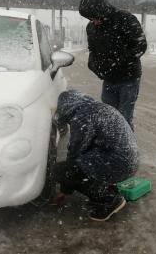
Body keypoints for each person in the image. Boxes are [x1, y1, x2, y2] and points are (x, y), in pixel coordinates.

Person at [53, 90, 139, 221]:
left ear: (65, 108)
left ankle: (109, 199)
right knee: (84, 161)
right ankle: (107, 188)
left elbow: (74, 153)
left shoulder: (82, 116)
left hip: (118, 164)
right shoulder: (96, 107)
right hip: (130, 160)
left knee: (63, 170)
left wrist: (64, 188)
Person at [79, 0, 148, 129]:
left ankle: (126, 149)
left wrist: (117, 63)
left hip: (129, 79)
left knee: (124, 119)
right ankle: (111, 146)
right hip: (109, 79)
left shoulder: (126, 19)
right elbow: (93, 51)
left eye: (96, 17)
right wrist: (93, 65)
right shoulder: (92, 28)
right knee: (108, 116)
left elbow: (140, 45)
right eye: (90, 19)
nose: (94, 21)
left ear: (102, 9)